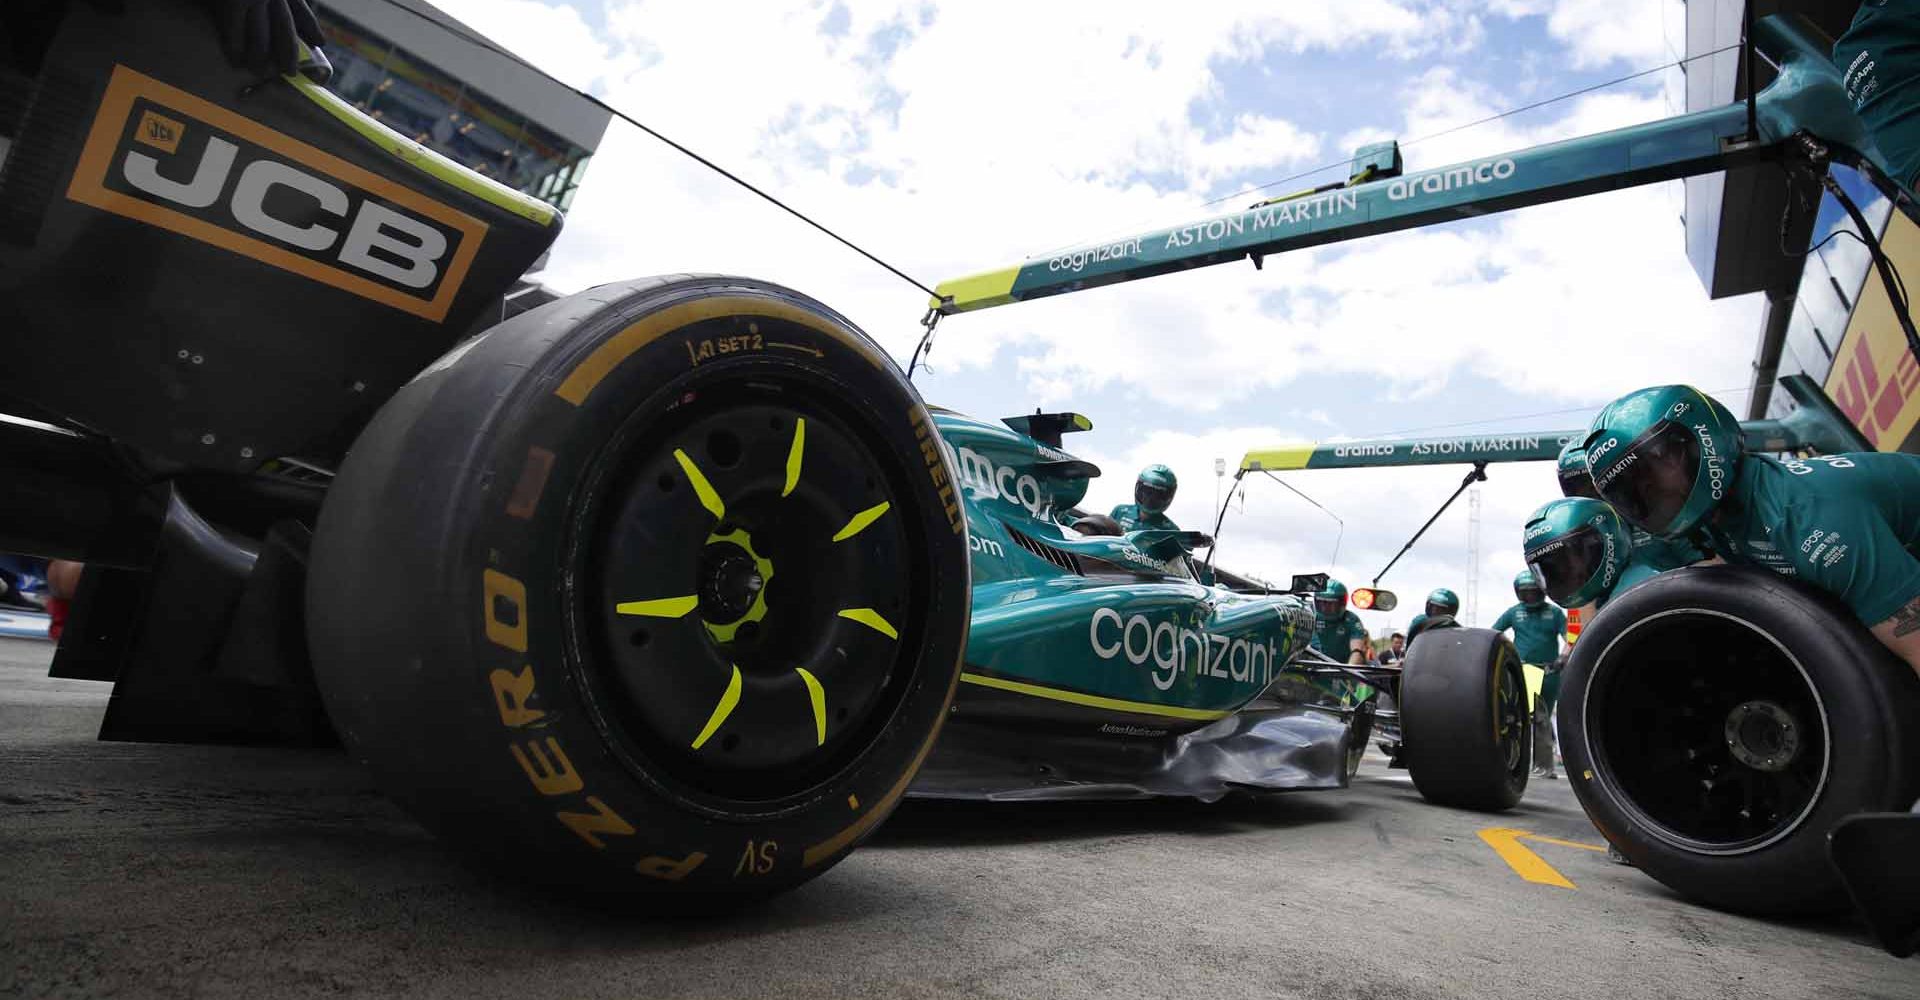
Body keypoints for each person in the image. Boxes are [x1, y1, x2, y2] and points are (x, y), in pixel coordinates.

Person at [1585, 383, 1920, 680]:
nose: (1651, 493)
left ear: (1698, 440)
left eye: (1655, 471)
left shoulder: (1809, 523)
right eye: (1636, 489)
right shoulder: (1722, 522)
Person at [1492, 569, 1567, 778]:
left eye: (1534, 592)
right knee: (1518, 717)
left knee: (1542, 719)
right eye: (1525, 592)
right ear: (1518, 593)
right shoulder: (1514, 612)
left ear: (1542, 590)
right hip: (1524, 670)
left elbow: (1571, 635)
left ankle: (1545, 766)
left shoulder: (1554, 613)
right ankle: (1514, 761)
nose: (1530, 596)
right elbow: (1494, 633)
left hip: (1549, 671)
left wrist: (1563, 657)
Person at [1310, 579, 1368, 666]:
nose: (1325, 608)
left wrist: (1350, 668)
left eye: (1330, 604)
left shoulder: (1351, 619)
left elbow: (1357, 650)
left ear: (1342, 603)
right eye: (1321, 603)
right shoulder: (1311, 617)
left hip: (1342, 670)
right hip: (1314, 669)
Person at [1110, 464, 1179, 532]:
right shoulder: (1120, 511)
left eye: (1158, 494)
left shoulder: (1170, 530)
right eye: (1147, 492)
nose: (1150, 498)